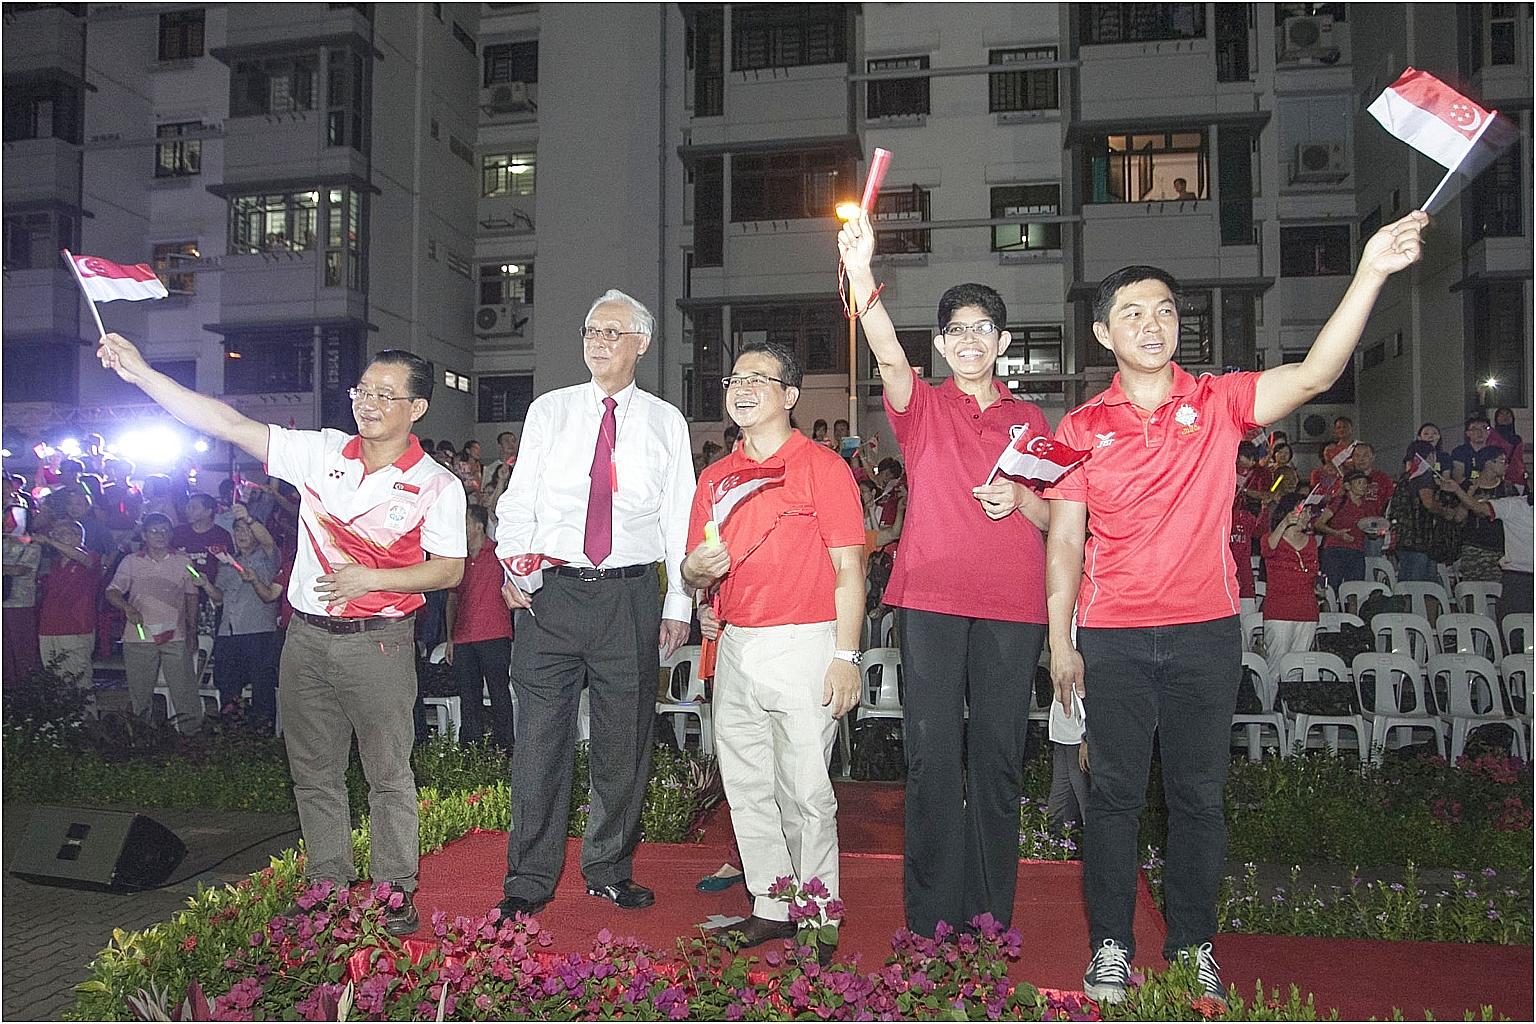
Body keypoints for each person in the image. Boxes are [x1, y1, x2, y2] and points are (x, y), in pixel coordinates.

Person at [1042, 211, 1427, 1006]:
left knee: (1198, 799)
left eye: (1165, 312)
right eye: (1133, 314)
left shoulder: (1219, 402)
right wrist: (1060, 641)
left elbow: (1317, 374)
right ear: (1103, 333)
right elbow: (1065, 544)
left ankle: (1191, 948)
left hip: (1205, 634)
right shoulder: (1079, 427)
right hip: (1111, 636)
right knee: (1111, 800)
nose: (1152, 325)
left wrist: (1371, 273)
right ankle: (1111, 947)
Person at [96, 331, 466, 937]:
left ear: (416, 408)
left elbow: (449, 568)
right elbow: (229, 423)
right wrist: (142, 373)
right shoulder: (321, 454)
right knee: (313, 773)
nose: (367, 403)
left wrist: (371, 576)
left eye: (385, 394)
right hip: (306, 641)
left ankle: (394, 889)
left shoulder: (436, 484)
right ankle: (328, 884)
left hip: (379, 642)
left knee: (388, 775)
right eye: (362, 390)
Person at [839, 212, 1052, 938]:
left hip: (1013, 609)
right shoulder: (923, 409)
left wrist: (1025, 497)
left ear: (1004, 342)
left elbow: (1064, 523)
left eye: (982, 329)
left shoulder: (1033, 423)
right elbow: (887, 360)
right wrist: (863, 271)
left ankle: (988, 913)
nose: (969, 341)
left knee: (997, 763)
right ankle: (930, 917)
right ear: (940, 344)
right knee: (932, 760)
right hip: (929, 601)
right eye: (956, 331)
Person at [493, 289, 693, 919]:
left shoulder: (666, 422)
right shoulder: (549, 411)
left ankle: (608, 867)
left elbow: (678, 517)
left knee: (622, 744)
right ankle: (528, 877)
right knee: (539, 743)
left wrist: (678, 604)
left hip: (630, 599)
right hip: (549, 597)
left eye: (613, 332)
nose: (599, 342)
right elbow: (518, 496)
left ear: (642, 343)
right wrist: (514, 565)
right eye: (591, 330)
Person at [681, 339, 864, 959]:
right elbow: (696, 569)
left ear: (789, 395)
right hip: (735, 648)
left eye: (760, 378)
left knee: (807, 788)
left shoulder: (823, 467)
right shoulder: (716, 477)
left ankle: (818, 911)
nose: (743, 387)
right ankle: (771, 902)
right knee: (747, 783)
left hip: (805, 644)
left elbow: (850, 570)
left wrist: (847, 655)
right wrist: (695, 571)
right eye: (735, 378)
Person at [104, 512, 212, 731]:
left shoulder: (184, 561)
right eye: (154, 531)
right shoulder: (131, 561)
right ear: (144, 535)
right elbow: (112, 591)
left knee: (184, 690)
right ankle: (142, 738)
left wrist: (192, 630)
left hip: (174, 635)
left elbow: (193, 595)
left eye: (165, 530)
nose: (160, 535)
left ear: (171, 533)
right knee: (140, 693)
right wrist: (127, 607)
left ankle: (191, 737)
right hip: (139, 634)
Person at [445, 505, 515, 750]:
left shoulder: (499, 555)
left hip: (494, 633)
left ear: (478, 525)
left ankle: (505, 748)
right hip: (464, 637)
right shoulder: (459, 561)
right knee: (468, 697)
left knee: (499, 693)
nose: (460, 528)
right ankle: (471, 751)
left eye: (464, 522)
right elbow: (452, 600)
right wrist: (451, 638)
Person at [210, 512, 283, 728]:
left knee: (262, 685)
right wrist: (204, 584)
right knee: (228, 684)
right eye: (238, 530)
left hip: (258, 629)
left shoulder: (267, 556)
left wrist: (249, 518)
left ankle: (263, 730)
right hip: (228, 631)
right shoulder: (226, 562)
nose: (241, 534)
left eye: (246, 530)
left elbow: (269, 541)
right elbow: (219, 596)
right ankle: (233, 730)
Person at [1438, 478, 1533, 618]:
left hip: (1519, 579)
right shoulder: (1515, 505)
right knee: (1515, 629)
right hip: (1519, 579)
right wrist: (1458, 490)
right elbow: (1479, 507)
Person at [34, 518, 102, 693]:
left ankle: (85, 720)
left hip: (76, 629)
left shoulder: (90, 557)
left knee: (79, 681)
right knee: (54, 682)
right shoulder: (55, 564)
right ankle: (61, 719)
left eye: (61, 534)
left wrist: (49, 541)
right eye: (54, 534)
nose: (56, 537)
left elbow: (84, 559)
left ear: (78, 536)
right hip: (49, 629)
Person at [1442, 450, 1520, 584]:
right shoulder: (1467, 486)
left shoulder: (1508, 489)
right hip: (1474, 549)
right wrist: (1469, 494)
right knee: (1474, 594)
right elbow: (1459, 517)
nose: (1506, 465)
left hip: (1501, 551)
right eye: (1502, 461)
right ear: (1488, 463)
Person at [1262, 493, 1322, 664]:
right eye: (1304, 511)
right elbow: (1268, 549)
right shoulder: (1271, 538)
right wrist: (1285, 523)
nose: (1307, 516)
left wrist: (1318, 586)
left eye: (1309, 512)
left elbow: (1313, 571)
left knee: (1299, 666)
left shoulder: (1311, 542)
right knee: (1275, 665)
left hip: (1307, 610)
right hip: (1280, 611)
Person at [1392, 440, 1464, 583]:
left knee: (1416, 585)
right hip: (1420, 541)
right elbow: (1428, 503)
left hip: (1404, 539)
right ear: (1431, 455)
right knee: (1420, 587)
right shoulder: (1423, 476)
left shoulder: (1405, 478)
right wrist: (1445, 512)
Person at [1314, 470, 1370, 594]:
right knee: (1331, 588)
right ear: (1347, 486)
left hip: (1356, 551)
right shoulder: (1339, 502)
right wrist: (1337, 533)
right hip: (1335, 550)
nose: (1363, 486)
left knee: (1355, 589)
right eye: (1359, 482)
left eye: (1365, 483)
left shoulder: (1366, 506)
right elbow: (1319, 523)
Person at [2, 530, 43, 680]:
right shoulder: (3, 543)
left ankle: (26, 685)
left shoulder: (32, 545)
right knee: (5, 648)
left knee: (21, 645)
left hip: (20, 602)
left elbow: (20, 570)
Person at [1489, 406, 1527, 486]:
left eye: (1508, 414)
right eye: (1501, 414)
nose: (1505, 417)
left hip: (1516, 478)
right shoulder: (1491, 437)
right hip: (1496, 478)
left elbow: (1519, 460)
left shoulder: (1517, 439)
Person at [1450, 414, 1493, 484]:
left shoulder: (1494, 452)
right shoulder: (1459, 451)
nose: (1480, 431)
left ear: (1489, 432)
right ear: (1467, 433)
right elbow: (1458, 477)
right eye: (1474, 429)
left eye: (1484, 428)